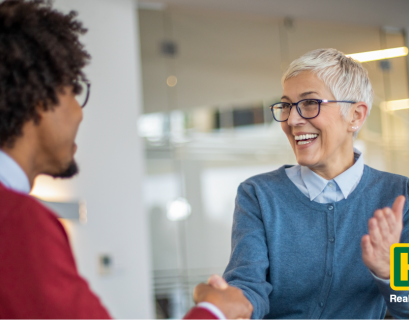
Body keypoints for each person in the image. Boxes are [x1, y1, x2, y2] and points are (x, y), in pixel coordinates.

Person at [0, 1, 252, 320]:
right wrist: (215, 311)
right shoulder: (18, 221)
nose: (80, 113)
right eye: (75, 92)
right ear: (40, 98)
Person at [223, 48, 409, 319]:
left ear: (355, 116)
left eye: (310, 103)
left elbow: (404, 305)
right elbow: (248, 285)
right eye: (286, 106)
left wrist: (387, 273)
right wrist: (228, 303)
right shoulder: (259, 195)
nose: (292, 120)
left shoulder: (398, 196)